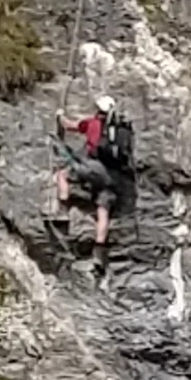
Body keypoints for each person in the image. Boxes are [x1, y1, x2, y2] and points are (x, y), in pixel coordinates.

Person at [53, 92, 134, 271]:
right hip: (114, 176)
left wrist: (60, 116)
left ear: (98, 110)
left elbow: (69, 125)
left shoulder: (92, 123)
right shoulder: (119, 132)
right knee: (103, 211)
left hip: (95, 168)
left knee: (63, 174)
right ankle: (99, 252)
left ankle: (62, 213)